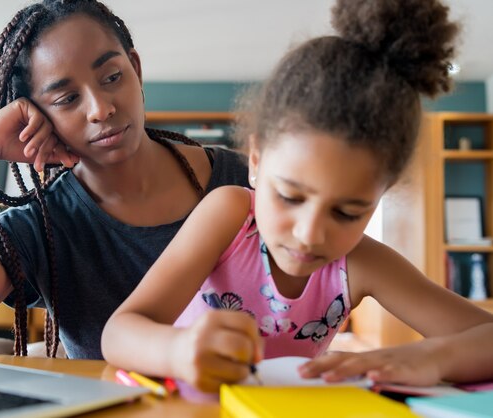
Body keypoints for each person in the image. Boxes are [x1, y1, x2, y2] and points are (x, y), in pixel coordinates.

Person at [101, 0, 493, 393]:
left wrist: (431, 356)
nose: (309, 234)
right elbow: (118, 333)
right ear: (255, 161)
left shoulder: (361, 263)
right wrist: (177, 350)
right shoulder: (229, 213)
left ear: (380, 198)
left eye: (347, 212)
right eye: (290, 196)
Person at [0, 0, 248, 360]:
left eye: (111, 77)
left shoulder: (252, 183)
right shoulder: (39, 227)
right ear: (34, 115)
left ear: (135, 69)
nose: (100, 108)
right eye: (67, 98)